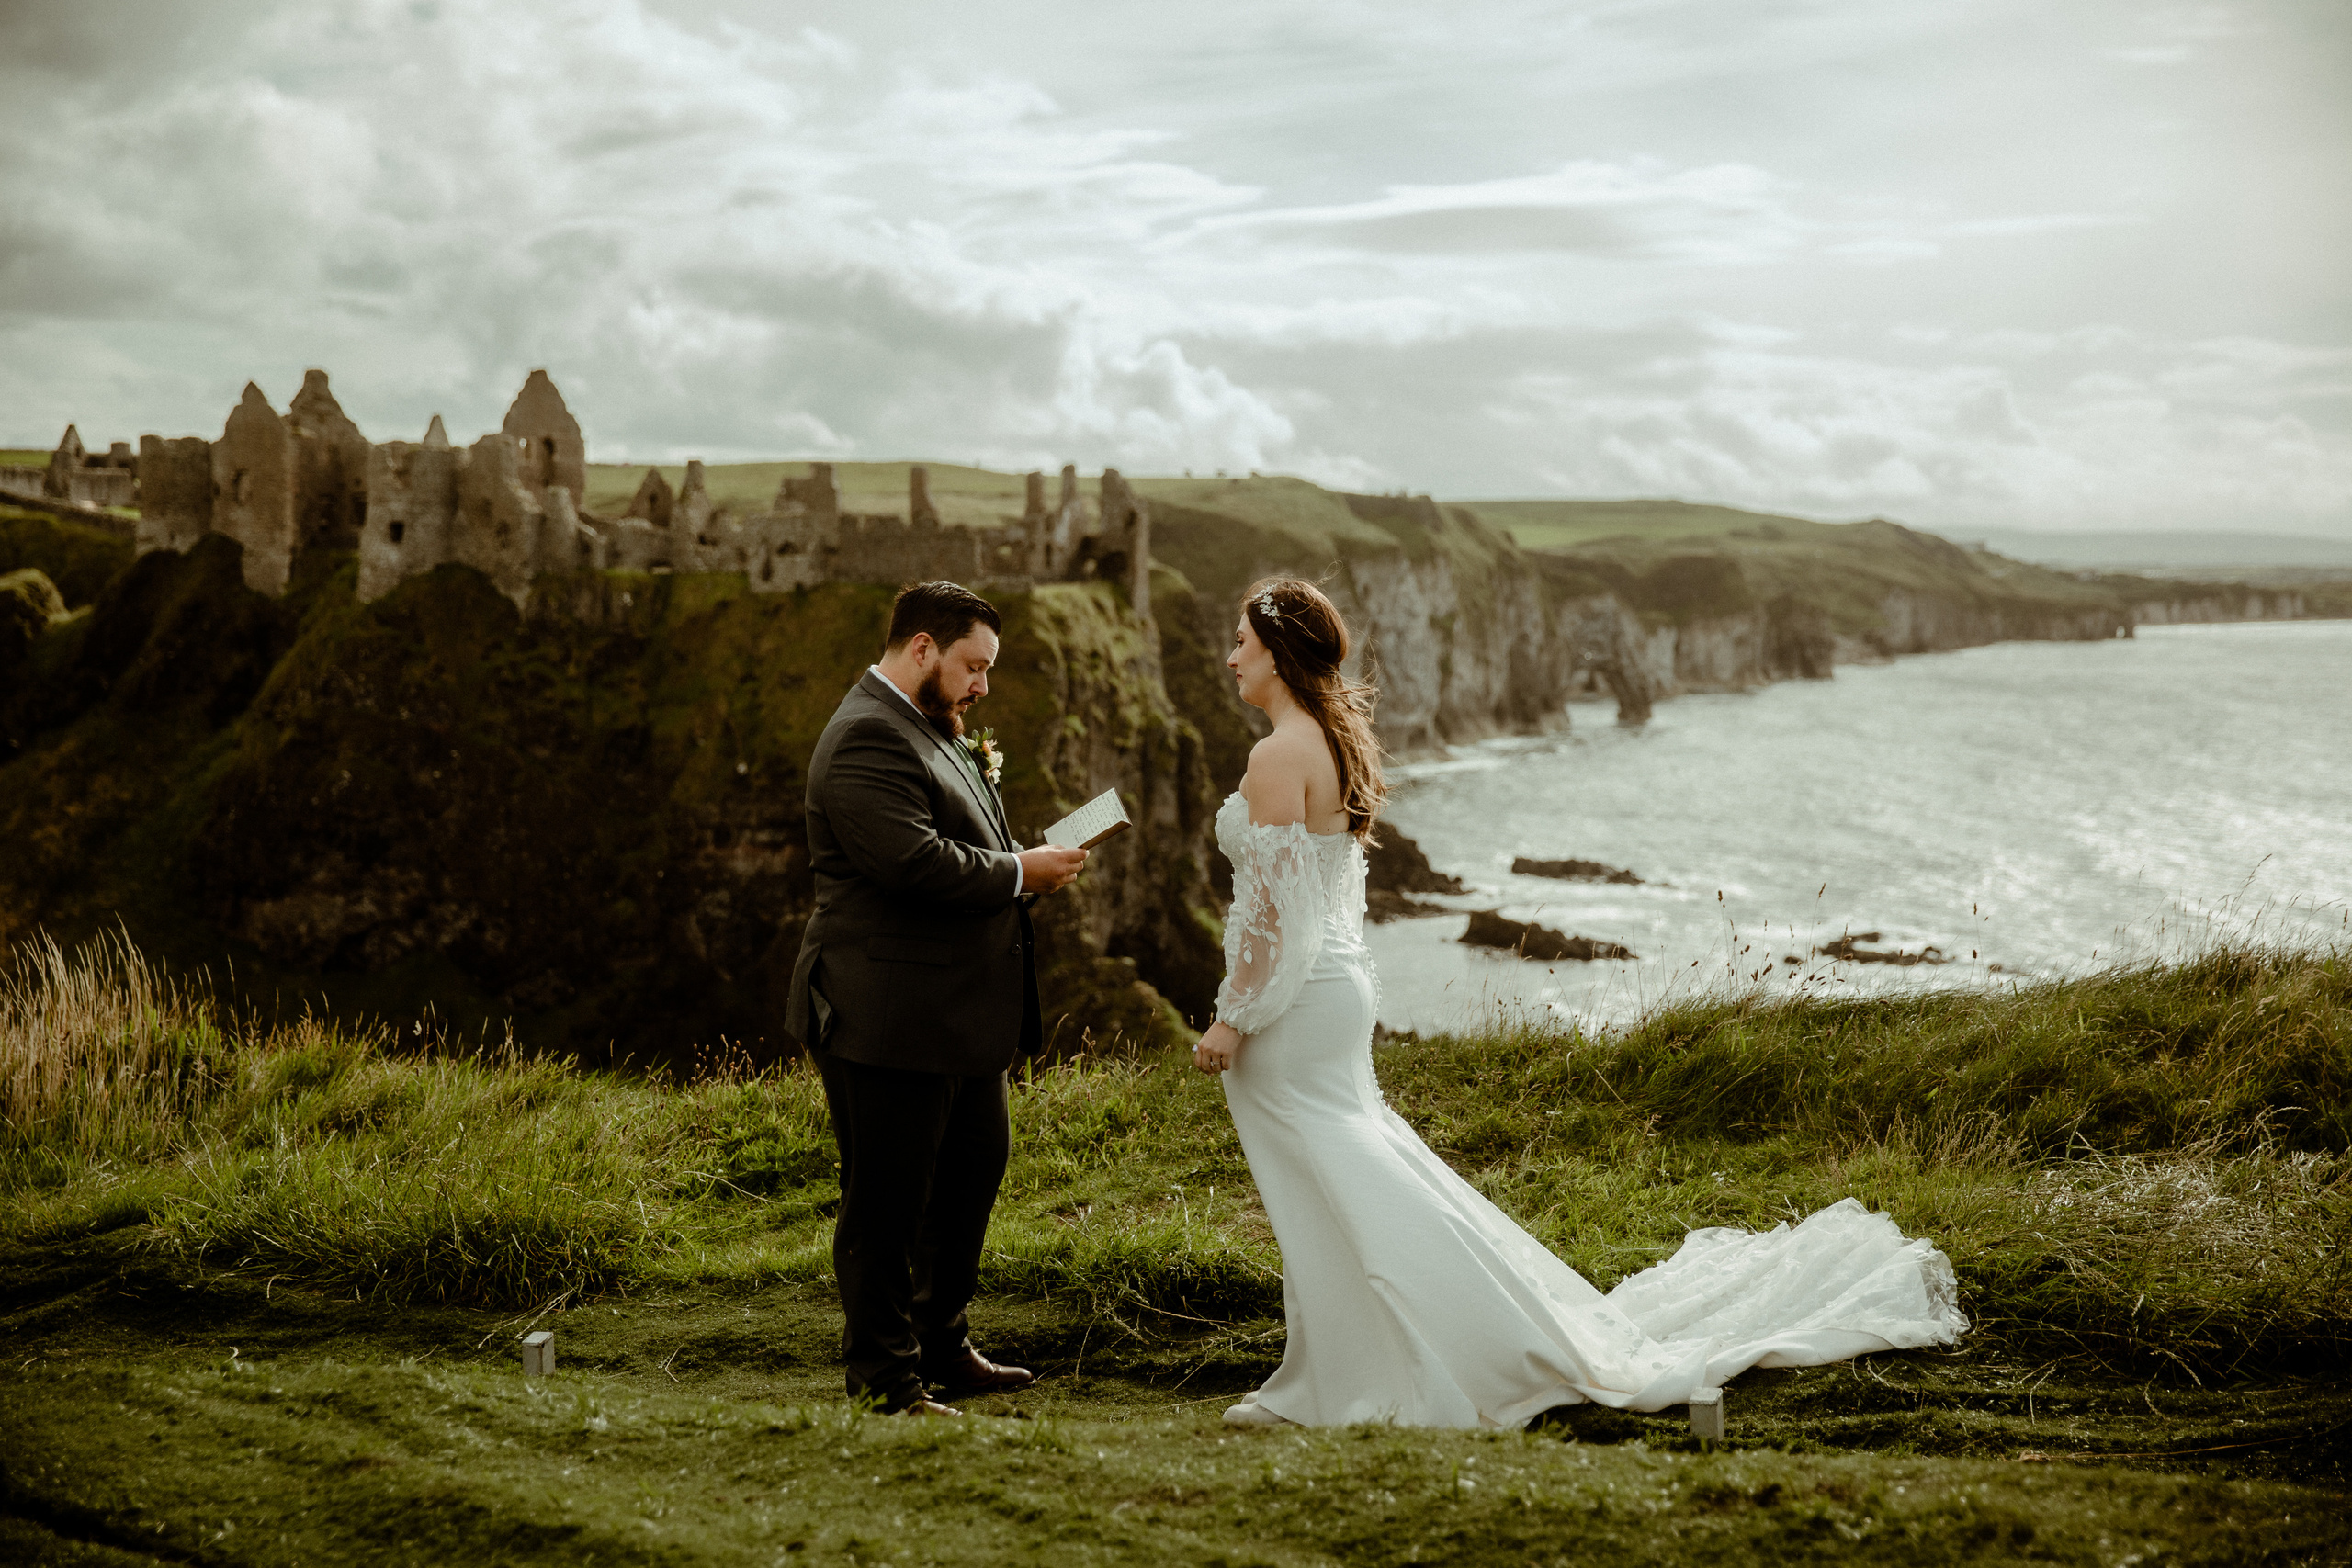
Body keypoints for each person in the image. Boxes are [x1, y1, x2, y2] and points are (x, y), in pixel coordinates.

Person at [1193, 576, 1968, 1429]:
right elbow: (1328, 904)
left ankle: (1355, 1378)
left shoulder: (1278, 756)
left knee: (1336, 1187)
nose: (1230, 658)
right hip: (1335, 987)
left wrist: (1235, 1014)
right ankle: (1338, 1371)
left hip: (1296, 1002)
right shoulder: (1334, 744)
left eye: (1242, 642)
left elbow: (1276, 916)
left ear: (1279, 653)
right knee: (1347, 1180)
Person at [786, 581, 1088, 1416]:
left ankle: (942, 1345)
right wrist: (1021, 871)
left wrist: (1027, 859)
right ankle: (885, 1381)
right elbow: (914, 862)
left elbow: (966, 839)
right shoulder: (865, 735)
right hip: (885, 1014)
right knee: (886, 1206)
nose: (982, 685)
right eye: (973, 666)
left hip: (958, 1013)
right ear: (922, 646)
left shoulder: (931, 723)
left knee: (968, 1180)